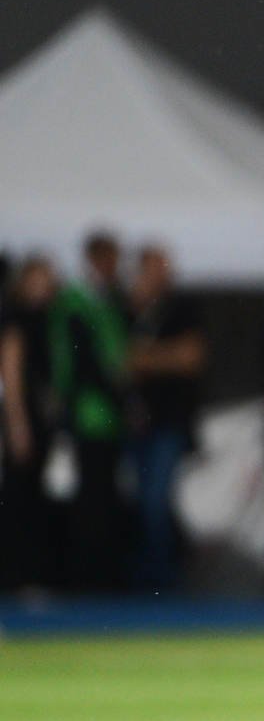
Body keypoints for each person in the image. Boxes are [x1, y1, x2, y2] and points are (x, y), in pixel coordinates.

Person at [48, 231, 129, 591]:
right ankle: (87, 582)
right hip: (88, 413)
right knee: (90, 499)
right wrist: (118, 391)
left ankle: (102, 577)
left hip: (108, 416)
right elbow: (84, 363)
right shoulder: (77, 301)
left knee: (105, 496)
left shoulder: (106, 299)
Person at [125, 245, 205, 593]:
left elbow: (191, 357)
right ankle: (152, 573)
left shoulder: (181, 308)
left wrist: (145, 359)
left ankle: (164, 578)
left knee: (156, 498)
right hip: (137, 423)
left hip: (169, 422)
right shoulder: (128, 309)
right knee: (144, 499)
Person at [1, 255, 60, 592]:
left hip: (38, 419)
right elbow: (11, 374)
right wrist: (18, 425)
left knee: (32, 496)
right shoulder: (18, 319)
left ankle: (23, 576)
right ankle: (13, 578)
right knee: (19, 498)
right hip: (23, 421)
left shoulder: (44, 318)